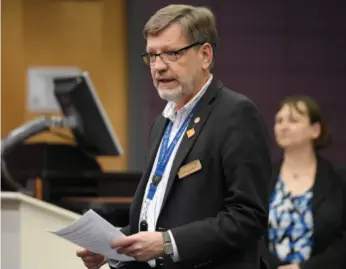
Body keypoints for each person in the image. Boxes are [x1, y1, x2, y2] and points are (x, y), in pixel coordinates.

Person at [77, 4, 271, 269]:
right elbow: (157, 216)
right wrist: (112, 246)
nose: (158, 67)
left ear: (204, 55)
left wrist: (168, 243)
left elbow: (249, 217)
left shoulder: (236, 115)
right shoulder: (162, 123)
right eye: (152, 56)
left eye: (171, 53)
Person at [262, 96, 346, 269]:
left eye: (293, 120)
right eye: (279, 121)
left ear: (315, 130)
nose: (283, 126)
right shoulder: (262, 177)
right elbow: (249, 234)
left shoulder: (338, 179)